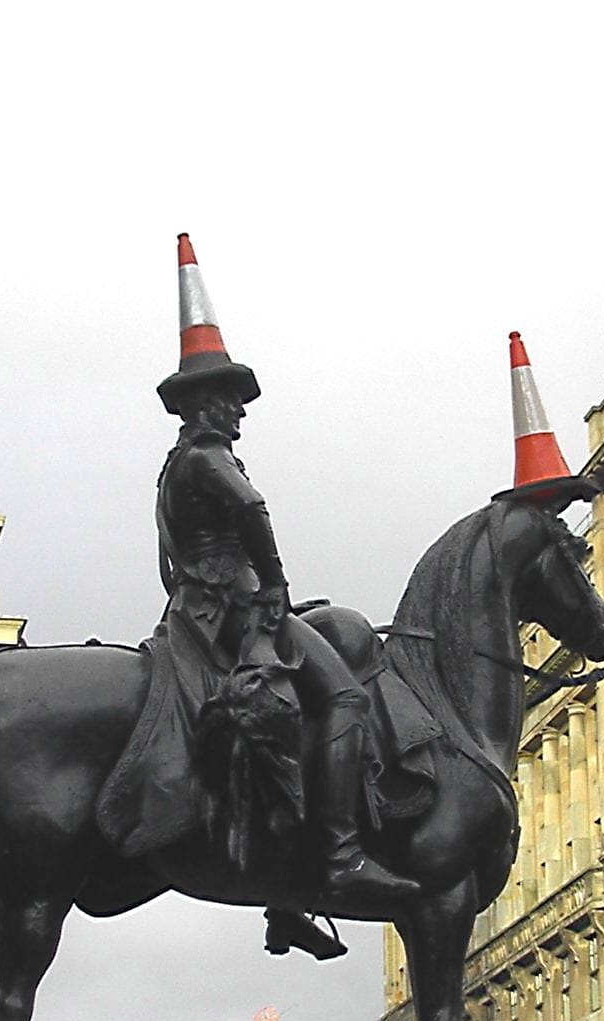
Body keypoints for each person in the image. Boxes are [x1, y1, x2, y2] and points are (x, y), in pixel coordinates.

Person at [156, 235, 418, 954]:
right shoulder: (209, 460)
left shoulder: (172, 469)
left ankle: (285, 901)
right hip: (234, 609)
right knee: (344, 698)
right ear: (201, 405)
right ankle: (339, 856)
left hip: (195, 610)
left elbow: (170, 563)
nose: (239, 413)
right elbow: (253, 513)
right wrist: (273, 586)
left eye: (240, 402)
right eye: (230, 401)